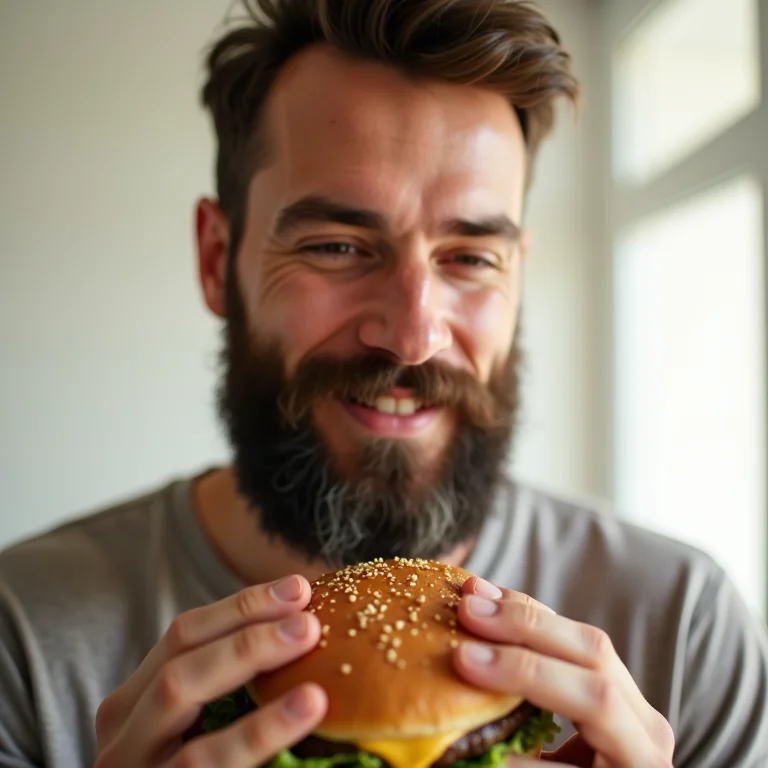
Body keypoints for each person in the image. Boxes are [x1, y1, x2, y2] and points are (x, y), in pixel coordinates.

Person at [1, 0, 767, 766]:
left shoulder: (682, 631)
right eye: (338, 246)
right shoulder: (25, 641)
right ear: (215, 259)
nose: (412, 334)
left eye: (470, 257)